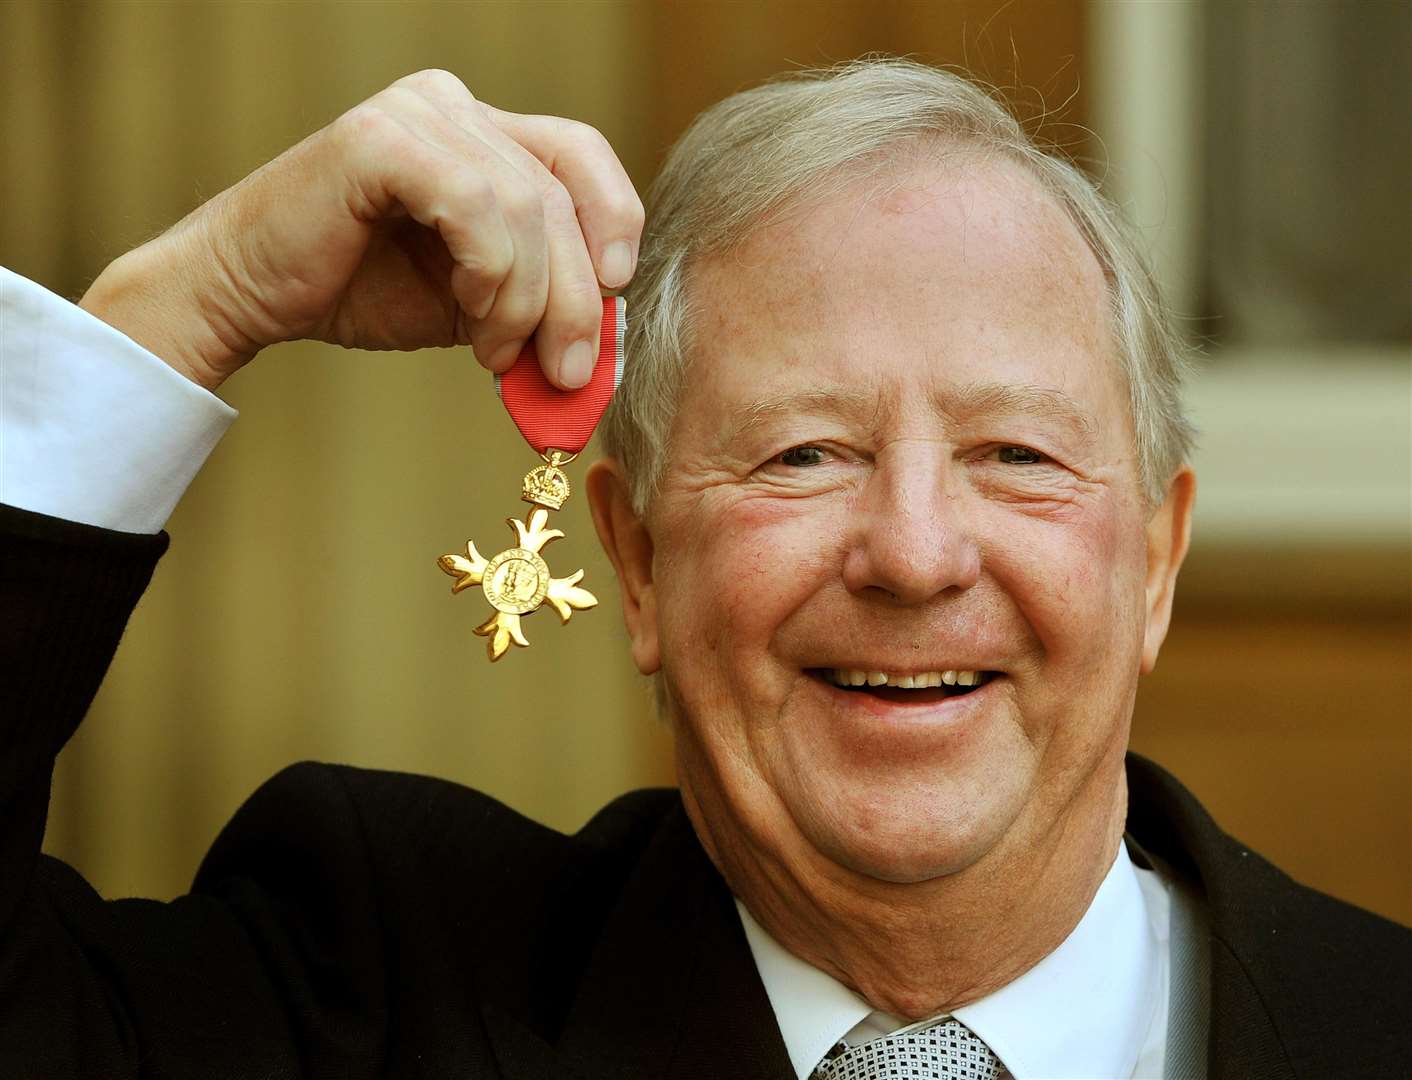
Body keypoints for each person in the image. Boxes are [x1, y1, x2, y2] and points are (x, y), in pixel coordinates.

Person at [0, 60, 1406, 1080]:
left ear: (1154, 560)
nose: (914, 553)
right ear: (637, 565)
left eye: (1015, 455)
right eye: (802, 454)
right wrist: (195, 299)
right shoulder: (364, 988)